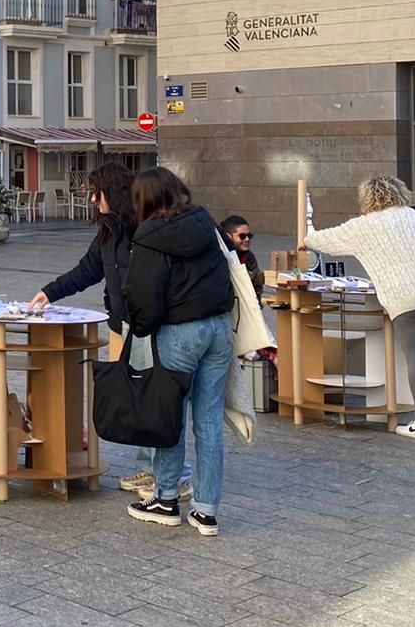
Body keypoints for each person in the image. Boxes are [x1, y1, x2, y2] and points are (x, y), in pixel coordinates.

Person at [30, 162, 192, 500]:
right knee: (137, 399)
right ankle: (151, 467)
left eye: (96, 191)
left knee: (154, 401)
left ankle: (177, 476)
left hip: (150, 326)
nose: (91, 198)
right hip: (124, 325)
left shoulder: (143, 228)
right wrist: (50, 291)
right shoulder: (108, 231)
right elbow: (88, 269)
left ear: (112, 193)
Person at [122, 166, 233, 536]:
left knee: (169, 416)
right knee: (209, 420)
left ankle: (166, 498)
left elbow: (142, 295)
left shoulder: (149, 236)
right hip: (218, 328)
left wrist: (141, 329)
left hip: (179, 331)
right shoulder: (205, 223)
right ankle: (206, 510)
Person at [304, 176, 415, 440]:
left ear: (366, 198)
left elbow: (319, 240)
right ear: (400, 192)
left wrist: (306, 231)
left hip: (402, 298)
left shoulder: (362, 226)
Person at [220, 214, 264, 298]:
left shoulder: (249, 256)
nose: (247, 239)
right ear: (228, 237)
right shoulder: (219, 258)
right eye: (242, 236)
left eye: (249, 236)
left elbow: (257, 285)